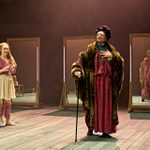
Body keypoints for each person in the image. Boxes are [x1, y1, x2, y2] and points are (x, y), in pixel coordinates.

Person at [71, 25, 124, 137]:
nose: (99, 36)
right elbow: (80, 61)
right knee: (92, 106)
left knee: (107, 106)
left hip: (107, 83)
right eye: (98, 34)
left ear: (106, 37)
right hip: (94, 83)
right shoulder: (90, 50)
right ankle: (91, 128)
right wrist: (77, 71)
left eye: (102, 35)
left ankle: (106, 130)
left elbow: (120, 64)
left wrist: (113, 56)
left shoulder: (111, 50)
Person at [0, 42, 17, 127]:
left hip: (8, 79)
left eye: (7, 48)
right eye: (4, 48)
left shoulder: (10, 59)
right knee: (0, 99)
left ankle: (8, 119)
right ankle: (0, 118)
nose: (6, 50)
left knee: (8, 100)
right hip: (1, 80)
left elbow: (14, 71)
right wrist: (4, 69)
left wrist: (12, 68)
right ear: (0, 49)